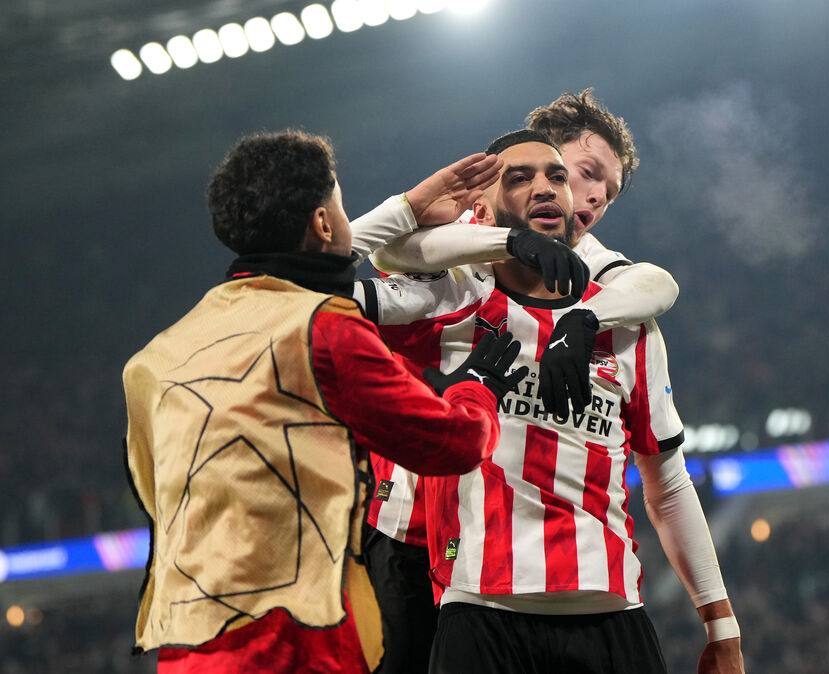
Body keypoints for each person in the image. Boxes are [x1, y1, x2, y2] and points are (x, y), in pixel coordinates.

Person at [121, 129, 531, 673]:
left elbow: (150, 493)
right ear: (321, 222)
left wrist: (407, 208)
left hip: (188, 644)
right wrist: (475, 387)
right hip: (296, 643)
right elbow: (453, 444)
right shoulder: (323, 331)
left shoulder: (156, 357)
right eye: (338, 205)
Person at [364, 91, 739, 673]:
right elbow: (374, 257)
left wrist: (579, 319)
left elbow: (657, 284)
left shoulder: (597, 276)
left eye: (605, 192)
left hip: (548, 582)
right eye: (584, 173)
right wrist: (496, 236)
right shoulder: (461, 263)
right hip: (408, 533)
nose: (590, 196)